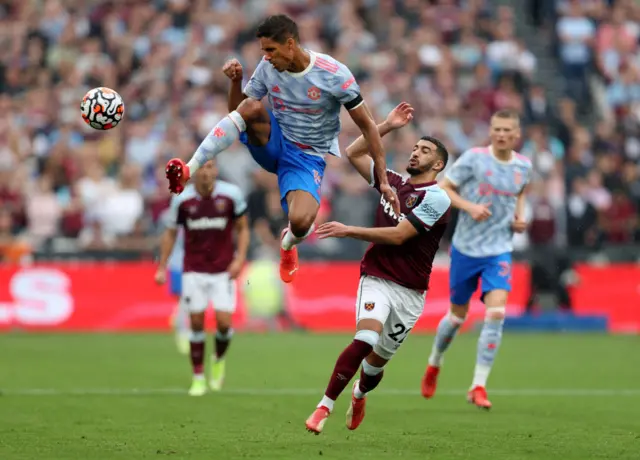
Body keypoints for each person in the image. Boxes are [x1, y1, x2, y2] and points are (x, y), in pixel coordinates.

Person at [164, 14, 399, 284]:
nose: (266, 57)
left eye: (270, 50)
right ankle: (187, 169)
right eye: (263, 51)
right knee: (252, 106)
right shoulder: (267, 67)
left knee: (301, 222)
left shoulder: (334, 74)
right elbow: (239, 115)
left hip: (306, 157)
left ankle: (287, 245)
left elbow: (368, 127)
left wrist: (383, 181)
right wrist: (235, 83)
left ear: (290, 44)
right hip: (273, 139)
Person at [305, 103, 451, 434]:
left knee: (373, 368)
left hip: (410, 292)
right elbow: (354, 152)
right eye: (415, 148)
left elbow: (400, 236)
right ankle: (323, 407)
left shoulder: (437, 198)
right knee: (366, 337)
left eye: (425, 151)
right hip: (377, 279)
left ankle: (359, 394)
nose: (416, 153)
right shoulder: (393, 182)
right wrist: (386, 125)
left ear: (438, 164)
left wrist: (348, 230)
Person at [422, 109, 532, 409]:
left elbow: (520, 192)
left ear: (516, 134)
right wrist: (469, 207)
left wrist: (520, 216)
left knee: (496, 313)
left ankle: (478, 385)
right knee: (457, 316)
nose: (501, 134)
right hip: (466, 248)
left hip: (498, 249)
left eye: (507, 130)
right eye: (496, 128)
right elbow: (444, 188)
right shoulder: (474, 158)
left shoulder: (524, 166)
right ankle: (435, 362)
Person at [155, 160, 250, 396]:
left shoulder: (231, 195)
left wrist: (240, 259)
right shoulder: (182, 200)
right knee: (196, 323)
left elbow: (243, 228)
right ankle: (198, 377)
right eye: (201, 169)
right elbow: (170, 233)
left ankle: (218, 359)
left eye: (210, 168)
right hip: (194, 270)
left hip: (223, 270)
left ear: (215, 170)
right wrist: (161, 266)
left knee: (224, 323)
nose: (206, 173)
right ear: (192, 173)